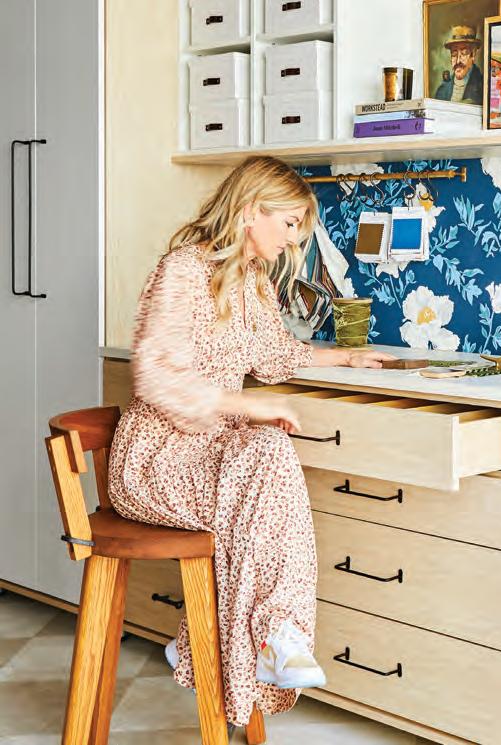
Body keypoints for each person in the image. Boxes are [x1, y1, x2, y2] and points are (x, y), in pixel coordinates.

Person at [107, 155, 395, 731]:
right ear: (248, 211)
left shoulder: (253, 279)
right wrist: (245, 406)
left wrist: (342, 357)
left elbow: (272, 355)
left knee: (268, 453)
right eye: (288, 224)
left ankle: (269, 635)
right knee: (262, 460)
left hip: (210, 455)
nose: (293, 241)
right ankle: (249, 639)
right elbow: (155, 376)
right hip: (155, 460)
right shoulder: (182, 270)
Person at [434, 25, 483, 105]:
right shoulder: (442, 90)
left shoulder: (482, 87)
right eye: (454, 54)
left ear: (473, 54)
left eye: (463, 53)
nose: (457, 61)